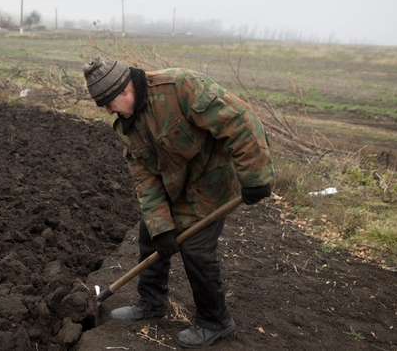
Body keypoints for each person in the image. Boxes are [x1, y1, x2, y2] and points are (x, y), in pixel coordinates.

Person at [82, 56, 275, 349]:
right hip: (176, 184)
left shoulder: (180, 87)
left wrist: (255, 176)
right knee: (151, 233)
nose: (108, 110)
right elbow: (145, 179)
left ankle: (215, 320)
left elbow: (238, 119)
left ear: (125, 89)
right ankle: (151, 302)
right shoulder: (127, 125)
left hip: (212, 180)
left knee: (195, 249)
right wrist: (161, 226)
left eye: (108, 102)